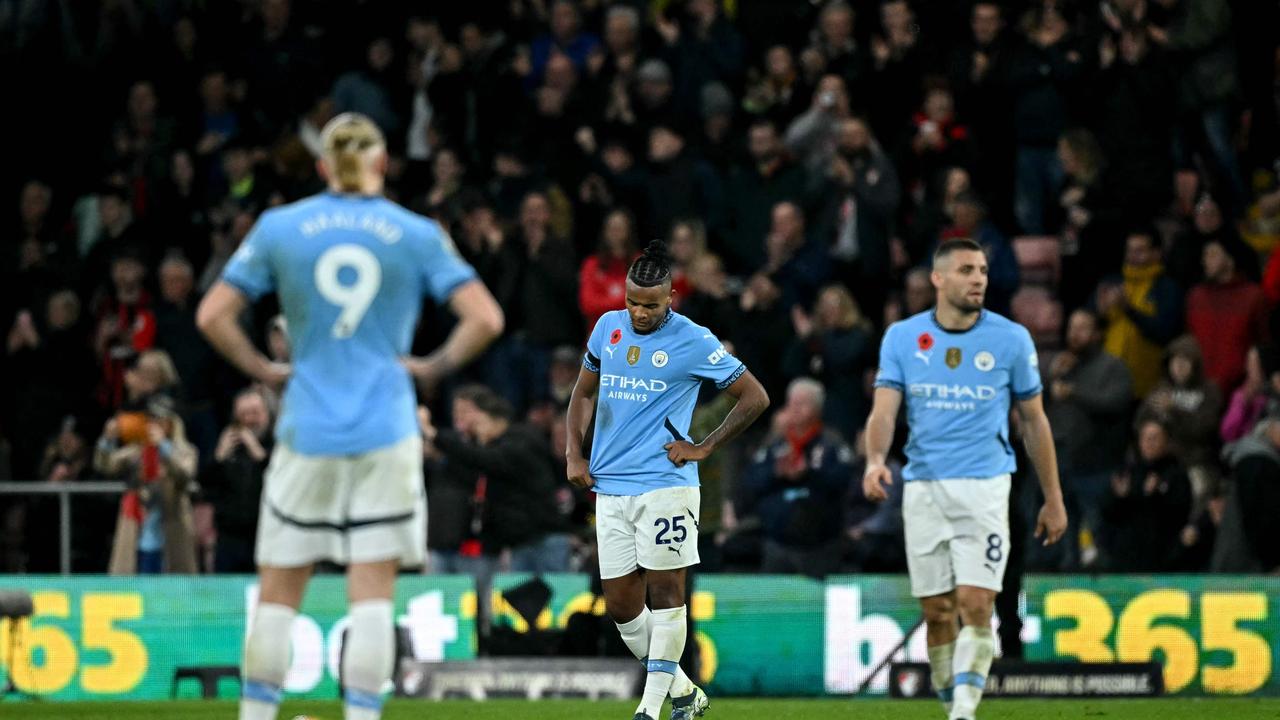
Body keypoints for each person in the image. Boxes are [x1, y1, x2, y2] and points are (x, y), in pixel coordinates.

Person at [196, 113, 504, 720]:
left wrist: (261, 366)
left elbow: (211, 315)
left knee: (279, 596)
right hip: (386, 431)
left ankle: (257, 716)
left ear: (321, 167)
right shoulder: (415, 232)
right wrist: (432, 364)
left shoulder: (281, 226)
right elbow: (486, 319)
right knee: (372, 599)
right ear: (383, 163)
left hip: (306, 429)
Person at [863, 238, 1067, 720]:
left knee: (977, 603)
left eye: (982, 270)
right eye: (966, 270)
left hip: (987, 488)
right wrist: (875, 460)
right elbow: (885, 410)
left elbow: (1034, 421)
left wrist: (1052, 497)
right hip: (924, 490)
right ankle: (948, 692)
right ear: (938, 279)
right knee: (937, 612)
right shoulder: (902, 338)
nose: (978, 279)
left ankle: (964, 711)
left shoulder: (1011, 339)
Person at [565, 240, 769, 720]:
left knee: (668, 592)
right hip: (610, 486)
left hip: (666, 483)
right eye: (632, 301)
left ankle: (650, 709)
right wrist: (575, 452)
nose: (638, 312)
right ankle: (686, 693)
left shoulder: (694, 340)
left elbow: (754, 396)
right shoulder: (607, 329)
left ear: (671, 297)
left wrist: (706, 444)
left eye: (650, 305)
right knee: (620, 606)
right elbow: (582, 394)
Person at [742, 377, 853, 577]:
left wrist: (810, 473)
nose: (794, 408)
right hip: (777, 544)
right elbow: (751, 481)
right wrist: (777, 472)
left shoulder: (832, 442)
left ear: (818, 408)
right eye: (791, 402)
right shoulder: (773, 444)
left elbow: (845, 479)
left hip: (821, 546)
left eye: (802, 404)